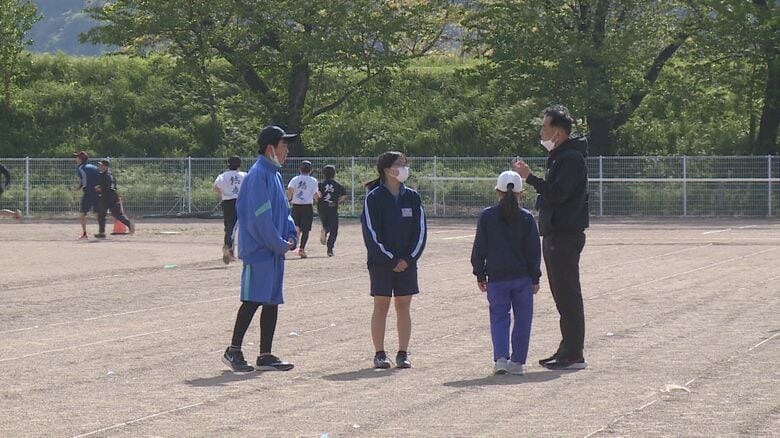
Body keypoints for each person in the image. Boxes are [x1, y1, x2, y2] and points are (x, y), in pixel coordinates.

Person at [513, 104, 589, 370]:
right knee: (562, 294)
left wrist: (530, 178)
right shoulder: (560, 156)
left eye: (545, 126)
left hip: (565, 235)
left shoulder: (570, 158)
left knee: (568, 294)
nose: (541, 131)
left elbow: (558, 194)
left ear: (557, 132)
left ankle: (574, 353)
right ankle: (567, 348)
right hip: (556, 233)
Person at [222, 125, 299, 373]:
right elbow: (259, 219)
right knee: (253, 299)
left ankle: (265, 354)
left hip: (274, 249)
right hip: (260, 250)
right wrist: (278, 243)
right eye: (284, 145)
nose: (287, 150)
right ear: (270, 148)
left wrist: (290, 234)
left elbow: (284, 212)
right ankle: (233, 350)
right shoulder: (257, 175)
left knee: (271, 300)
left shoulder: (274, 174)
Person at [361, 151, 427, 369]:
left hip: (407, 263)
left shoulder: (413, 197)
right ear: (387, 169)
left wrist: (408, 259)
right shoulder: (373, 197)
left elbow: (420, 232)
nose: (404, 168)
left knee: (403, 306)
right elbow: (371, 233)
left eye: (405, 163)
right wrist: (391, 260)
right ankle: (379, 353)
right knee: (381, 305)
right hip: (381, 264)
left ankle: (402, 353)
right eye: (400, 164)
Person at [471, 171, 541, 375]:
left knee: (499, 317)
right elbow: (534, 251)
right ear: (521, 193)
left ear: (497, 191)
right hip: (523, 278)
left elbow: (479, 248)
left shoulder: (487, 216)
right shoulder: (527, 218)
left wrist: (480, 274)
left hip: (497, 277)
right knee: (523, 319)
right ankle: (518, 362)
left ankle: (501, 358)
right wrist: (535, 277)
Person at [213, 155, 247, 264]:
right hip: (239, 201)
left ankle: (229, 249)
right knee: (235, 227)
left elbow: (216, 187)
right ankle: (229, 247)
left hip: (226, 202)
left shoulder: (223, 176)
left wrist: (223, 193)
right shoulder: (244, 175)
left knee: (228, 225)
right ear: (239, 165)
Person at [93, 159, 134, 238]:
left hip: (106, 197)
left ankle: (102, 233)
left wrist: (99, 188)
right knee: (117, 214)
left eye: (101, 165)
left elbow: (106, 187)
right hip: (113, 196)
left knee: (102, 215)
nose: (100, 166)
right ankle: (129, 224)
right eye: (100, 165)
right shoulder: (110, 174)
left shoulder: (105, 175)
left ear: (105, 167)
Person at [287, 160, 319, 258]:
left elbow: (290, 190)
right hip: (307, 206)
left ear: (300, 169)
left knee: (295, 226)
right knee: (305, 229)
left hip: (296, 205)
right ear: (311, 170)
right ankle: (302, 249)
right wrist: (318, 198)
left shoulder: (295, 179)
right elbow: (316, 195)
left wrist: (289, 199)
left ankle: (291, 244)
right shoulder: (313, 180)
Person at [317, 164, 347, 257]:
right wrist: (337, 200)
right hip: (333, 208)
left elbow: (317, 195)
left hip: (321, 208)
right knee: (334, 229)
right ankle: (329, 249)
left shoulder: (320, 185)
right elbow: (343, 195)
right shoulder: (337, 185)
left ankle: (325, 230)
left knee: (326, 224)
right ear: (334, 174)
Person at [73, 151, 100, 239]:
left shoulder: (81, 168)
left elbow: (84, 180)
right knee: (98, 212)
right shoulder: (93, 167)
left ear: (81, 159)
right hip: (97, 192)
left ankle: (84, 233)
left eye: (77, 157)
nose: (75, 159)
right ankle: (117, 217)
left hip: (88, 192)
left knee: (82, 213)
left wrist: (81, 187)